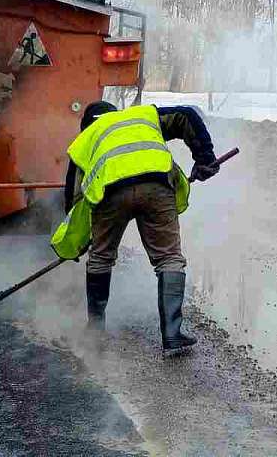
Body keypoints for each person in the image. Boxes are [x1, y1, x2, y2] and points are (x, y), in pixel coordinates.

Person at [51, 100, 218, 350]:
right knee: (169, 257)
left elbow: (75, 201)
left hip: (110, 192)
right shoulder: (143, 116)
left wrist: (78, 241)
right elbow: (186, 116)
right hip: (157, 184)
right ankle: (172, 334)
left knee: (101, 258)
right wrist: (204, 158)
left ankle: (95, 331)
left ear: (85, 125)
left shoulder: (86, 139)